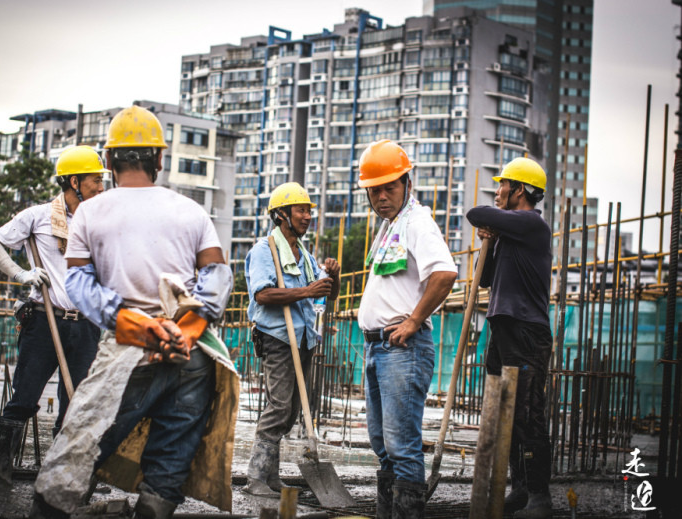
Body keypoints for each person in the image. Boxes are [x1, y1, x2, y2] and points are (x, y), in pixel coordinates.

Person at [30, 105, 234, 519]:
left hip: (130, 350)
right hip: (190, 354)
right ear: (159, 159)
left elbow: (79, 283)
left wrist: (130, 322)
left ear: (107, 161)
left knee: (80, 451)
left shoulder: (89, 211)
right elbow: (217, 274)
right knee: (168, 467)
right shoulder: (191, 210)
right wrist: (189, 328)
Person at [0, 145, 105, 483]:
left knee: (76, 405)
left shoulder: (101, 220)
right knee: (24, 396)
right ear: (74, 181)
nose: (101, 186)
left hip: (86, 326)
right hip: (44, 319)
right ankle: (3, 468)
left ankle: (61, 474)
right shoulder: (37, 216)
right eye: (96, 179)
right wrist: (22, 274)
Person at [356, 140, 458, 519]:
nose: (382, 196)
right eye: (375, 190)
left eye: (390, 187)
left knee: (401, 445)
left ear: (407, 183)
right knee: (383, 445)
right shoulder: (391, 227)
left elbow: (445, 273)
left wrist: (414, 320)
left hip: (402, 349)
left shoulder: (417, 223)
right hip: (379, 347)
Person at [466, 157, 552, 519]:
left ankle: (539, 496)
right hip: (501, 327)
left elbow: (475, 212)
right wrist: (490, 241)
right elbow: (484, 279)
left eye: (503, 185)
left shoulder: (532, 224)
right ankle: (517, 488)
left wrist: (491, 225)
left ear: (519, 190)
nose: (498, 191)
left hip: (527, 330)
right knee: (504, 411)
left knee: (528, 413)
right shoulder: (508, 234)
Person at [243, 182, 340, 497]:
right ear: (282, 214)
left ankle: (271, 479)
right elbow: (262, 293)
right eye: (301, 210)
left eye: (309, 210)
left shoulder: (306, 257)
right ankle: (256, 478)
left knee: (291, 410)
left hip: (304, 340)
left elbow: (326, 297)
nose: (307, 216)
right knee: (280, 407)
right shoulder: (265, 249)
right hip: (278, 338)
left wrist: (333, 279)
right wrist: (306, 291)